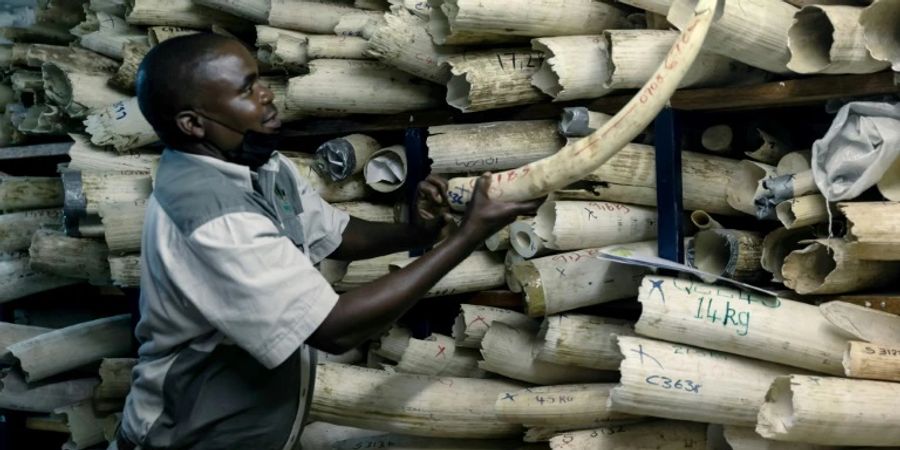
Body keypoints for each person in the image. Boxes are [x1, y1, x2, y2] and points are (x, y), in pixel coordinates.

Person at [116, 33, 542, 450]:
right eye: (246, 90)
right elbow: (335, 330)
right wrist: (466, 238)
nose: (266, 95)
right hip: (189, 435)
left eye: (260, 79)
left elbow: (336, 234)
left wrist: (418, 230)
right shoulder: (213, 216)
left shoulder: (258, 162)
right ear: (193, 123)